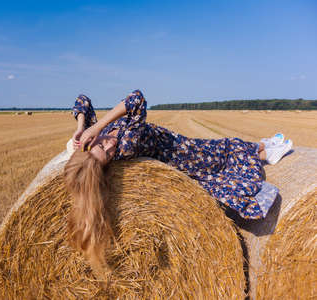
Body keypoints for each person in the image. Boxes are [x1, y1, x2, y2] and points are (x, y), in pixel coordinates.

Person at [63, 90, 293, 272]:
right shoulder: (126, 144)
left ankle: (266, 147)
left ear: (88, 144)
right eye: (109, 155)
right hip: (183, 156)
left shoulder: (93, 136)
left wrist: (83, 127)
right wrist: (98, 128)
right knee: (227, 150)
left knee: (228, 148)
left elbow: (82, 100)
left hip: (178, 144)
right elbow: (137, 99)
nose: (111, 146)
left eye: (103, 146)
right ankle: (268, 151)